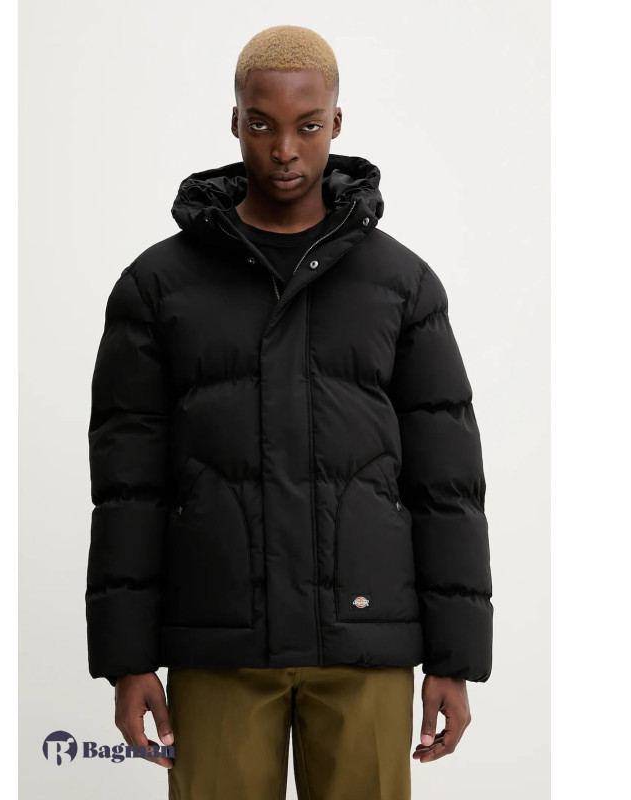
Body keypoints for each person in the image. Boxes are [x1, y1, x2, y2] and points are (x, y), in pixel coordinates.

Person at [86, 24, 493, 800]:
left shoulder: (402, 286)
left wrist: (455, 657)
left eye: (307, 126)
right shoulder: (157, 287)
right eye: (261, 124)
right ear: (234, 121)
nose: (283, 150)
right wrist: (127, 659)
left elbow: (447, 487)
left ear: (336, 123)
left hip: (365, 646)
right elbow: (128, 489)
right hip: (219, 646)